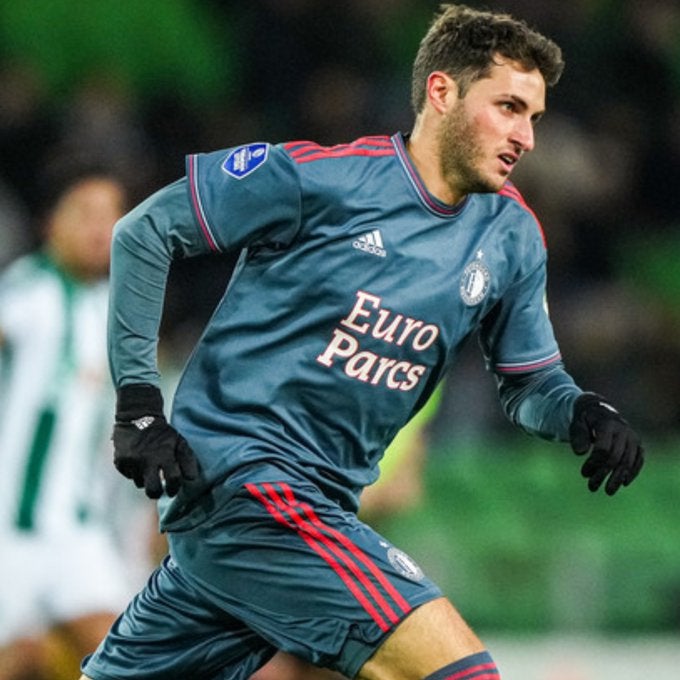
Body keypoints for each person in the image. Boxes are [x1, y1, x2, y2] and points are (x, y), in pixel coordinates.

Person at [80, 5, 645, 680]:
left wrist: (581, 411)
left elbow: (529, 382)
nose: (525, 135)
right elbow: (144, 232)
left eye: (534, 117)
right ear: (442, 92)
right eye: (507, 107)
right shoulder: (323, 180)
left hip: (292, 514)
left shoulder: (513, 236)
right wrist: (139, 404)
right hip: (252, 488)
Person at [0, 168, 135, 680]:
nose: (101, 228)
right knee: (21, 661)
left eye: (111, 215)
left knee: (124, 652)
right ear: (50, 223)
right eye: (85, 214)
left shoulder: (111, 308)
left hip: (78, 531)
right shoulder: (28, 292)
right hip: (11, 531)